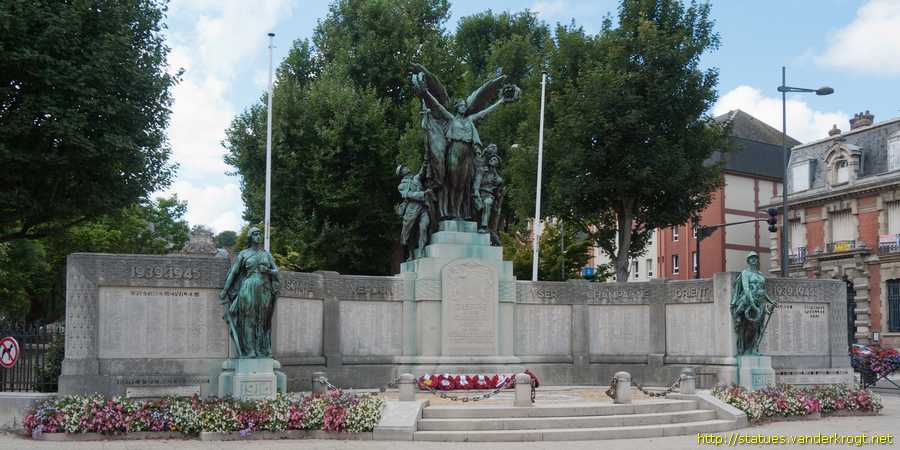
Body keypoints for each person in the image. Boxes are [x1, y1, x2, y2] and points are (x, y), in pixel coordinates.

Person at [219, 227, 281, 358]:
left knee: (263, 320)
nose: (258, 236)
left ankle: (261, 349)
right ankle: (250, 349)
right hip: (249, 286)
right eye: (255, 234)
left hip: (264, 288)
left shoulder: (266, 254)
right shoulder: (244, 254)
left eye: (259, 234)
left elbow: (276, 271)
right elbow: (234, 272)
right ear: (250, 237)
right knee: (249, 320)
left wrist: (268, 271)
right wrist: (225, 290)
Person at [731, 251, 777, 355]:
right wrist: (752, 304)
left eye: (755, 258)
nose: (754, 260)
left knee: (758, 327)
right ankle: (747, 349)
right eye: (751, 258)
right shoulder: (745, 273)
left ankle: (754, 348)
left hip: (760, 302)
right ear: (748, 261)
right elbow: (746, 289)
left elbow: (763, 290)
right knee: (750, 327)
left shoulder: (760, 274)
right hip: (749, 301)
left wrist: (771, 301)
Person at [397, 165, 434, 260]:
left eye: (405, 166)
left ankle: (421, 251)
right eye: (403, 168)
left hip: (423, 207)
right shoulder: (402, 186)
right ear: (402, 173)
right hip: (411, 209)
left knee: (424, 227)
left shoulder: (416, 178)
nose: (406, 168)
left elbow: (422, 172)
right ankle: (411, 253)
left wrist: (426, 163)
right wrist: (423, 193)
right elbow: (409, 195)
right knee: (409, 233)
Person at [473, 144, 504, 234]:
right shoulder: (482, 171)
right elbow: (476, 183)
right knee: (475, 208)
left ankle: (484, 226)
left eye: (495, 160)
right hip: (478, 194)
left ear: (497, 163)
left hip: (489, 196)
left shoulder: (497, 178)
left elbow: (499, 193)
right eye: (491, 159)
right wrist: (476, 194)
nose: (492, 160)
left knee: (487, 203)